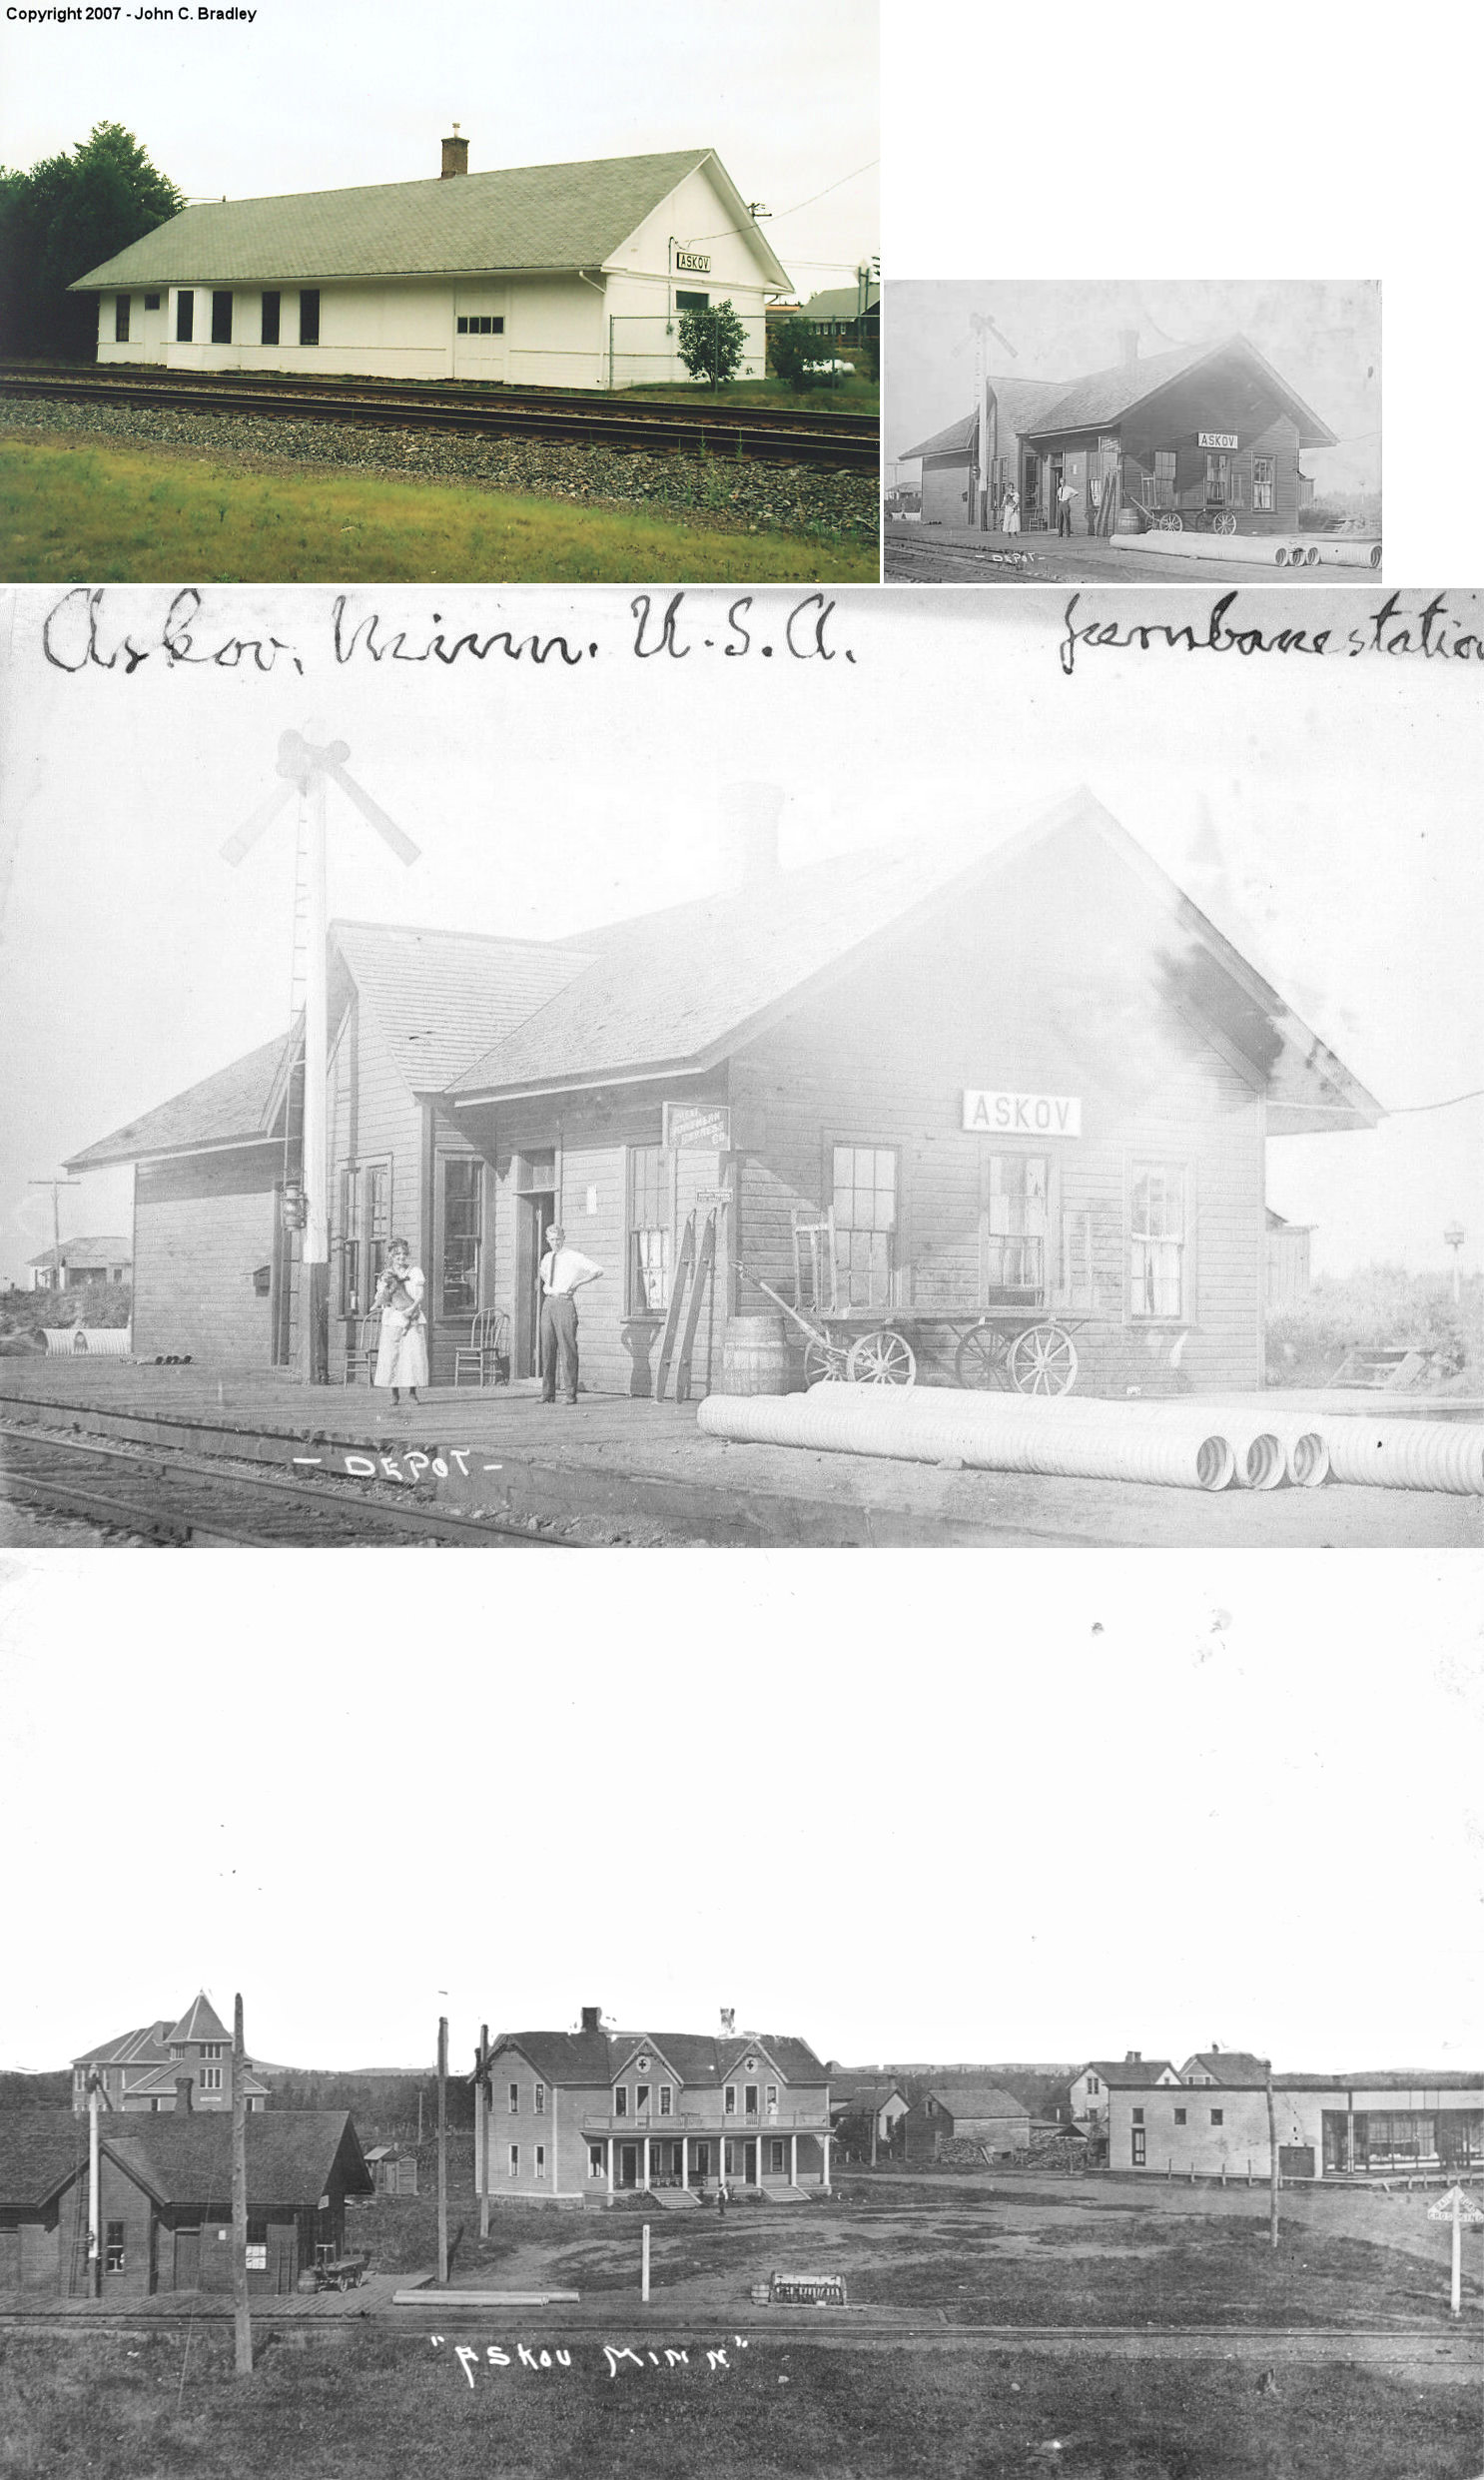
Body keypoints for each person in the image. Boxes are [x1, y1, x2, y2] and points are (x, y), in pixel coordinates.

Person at [538, 1224, 604, 1405]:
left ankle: (570, 1394)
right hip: (549, 1303)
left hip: (564, 1303)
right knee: (547, 1348)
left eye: (558, 1239)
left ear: (564, 1238)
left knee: (568, 1349)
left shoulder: (574, 1257)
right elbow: (544, 1275)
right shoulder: (547, 1257)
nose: (555, 1243)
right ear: (547, 1240)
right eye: (551, 1240)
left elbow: (598, 1270)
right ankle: (547, 1393)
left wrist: (577, 1284)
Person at [372, 1239, 427, 1408]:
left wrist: (411, 1309)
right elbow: (380, 1297)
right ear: (391, 1256)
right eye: (397, 1254)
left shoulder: (415, 1272)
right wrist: (383, 1295)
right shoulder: (386, 1274)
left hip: (412, 1315)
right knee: (393, 1354)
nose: (401, 1257)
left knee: (412, 1353)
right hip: (393, 1318)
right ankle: (394, 1393)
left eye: (404, 1254)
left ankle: (412, 1392)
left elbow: (419, 1295)